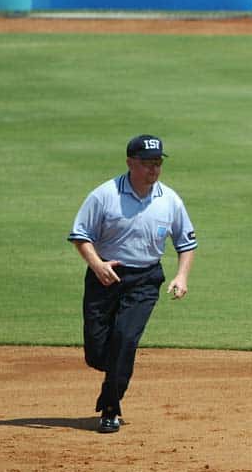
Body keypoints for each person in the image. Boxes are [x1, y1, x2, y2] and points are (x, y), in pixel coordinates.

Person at [68, 135, 197, 433]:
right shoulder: (105, 195)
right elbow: (80, 235)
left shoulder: (170, 200)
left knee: (125, 341)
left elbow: (186, 242)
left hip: (145, 280)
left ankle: (110, 408)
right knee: (98, 352)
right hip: (105, 276)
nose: (154, 169)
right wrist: (96, 264)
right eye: (147, 163)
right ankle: (111, 371)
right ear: (130, 163)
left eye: (158, 163)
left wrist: (181, 276)